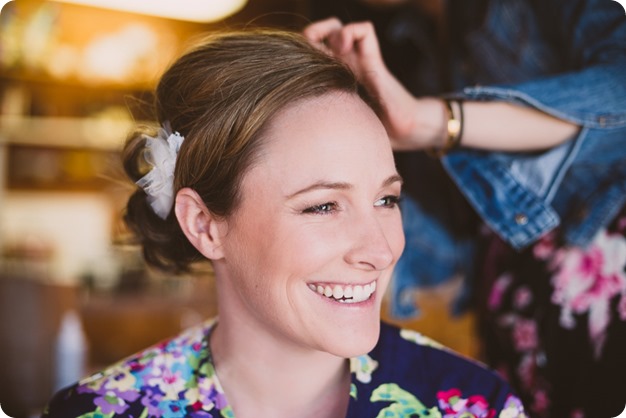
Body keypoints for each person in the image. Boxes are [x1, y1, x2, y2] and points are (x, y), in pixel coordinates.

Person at [40, 29, 527, 418]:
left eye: (386, 198)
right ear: (205, 225)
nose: (380, 251)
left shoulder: (473, 405)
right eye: (323, 206)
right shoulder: (96, 412)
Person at [304, 1, 626, 417]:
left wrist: (430, 122)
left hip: (601, 274)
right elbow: (439, 238)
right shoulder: (404, 39)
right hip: (510, 304)